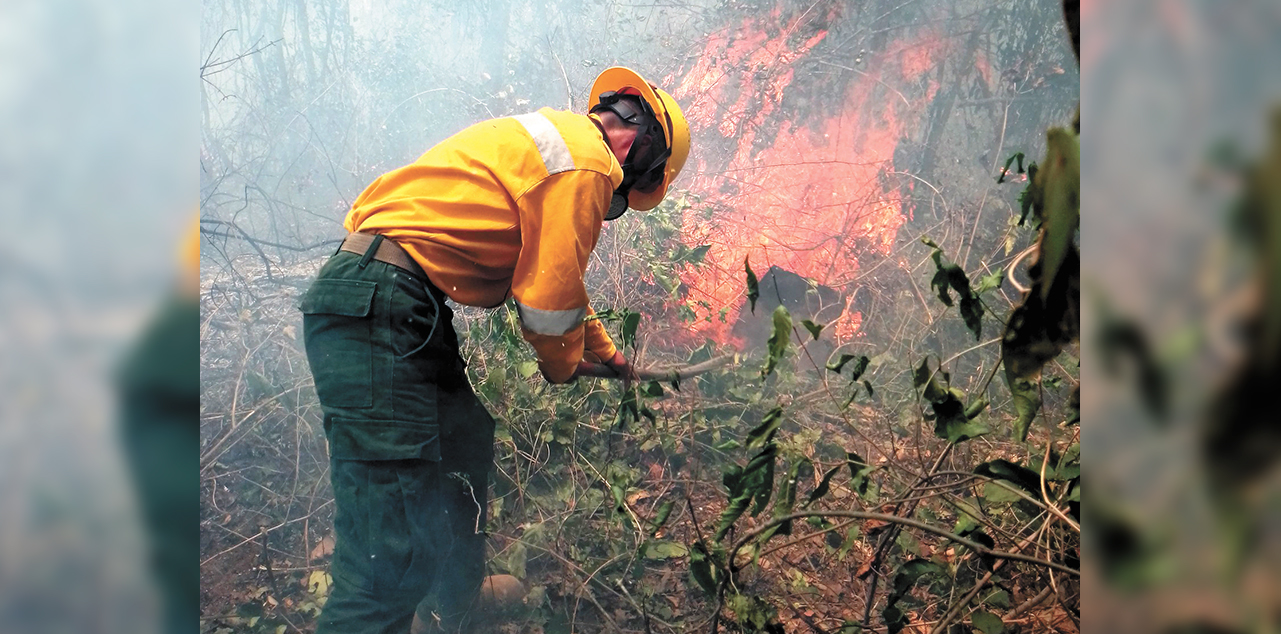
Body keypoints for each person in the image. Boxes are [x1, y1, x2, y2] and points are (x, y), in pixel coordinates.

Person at [300, 67, 690, 634]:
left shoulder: (560, 142)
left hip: (392, 297)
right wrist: (562, 365)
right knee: (388, 557)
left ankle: (452, 606)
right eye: (635, 187)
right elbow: (548, 296)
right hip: (382, 305)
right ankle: (398, 600)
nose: (621, 197)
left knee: (464, 441)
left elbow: (550, 272)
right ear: (640, 149)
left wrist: (607, 352)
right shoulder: (588, 165)